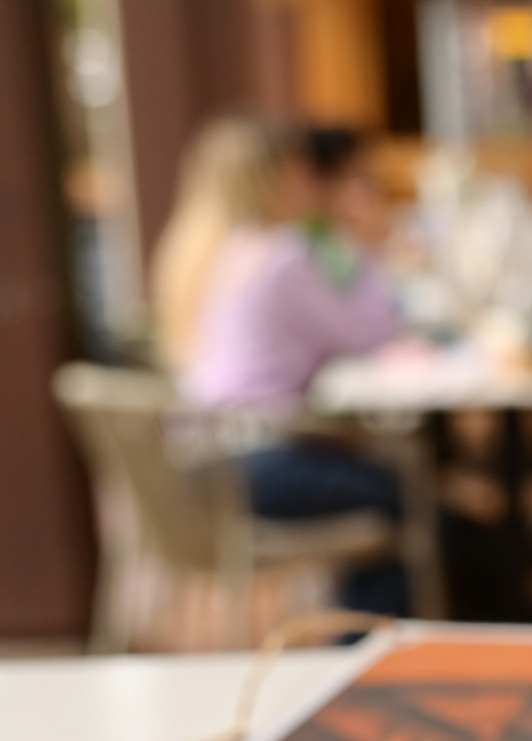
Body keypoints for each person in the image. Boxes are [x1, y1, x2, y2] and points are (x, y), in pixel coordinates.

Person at [182, 125, 410, 616]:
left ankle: (366, 642)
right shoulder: (285, 255)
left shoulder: (237, 247)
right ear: (274, 181)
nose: (314, 183)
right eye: (301, 172)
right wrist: (369, 243)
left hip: (211, 456)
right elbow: (369, 332)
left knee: (388, 481)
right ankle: (366, 651)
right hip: (258, 461)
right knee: (408, 494)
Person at [148, 117, 279, 371]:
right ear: (268, 180)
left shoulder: (187, 243)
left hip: (197, 397)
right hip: (246, 405)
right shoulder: (255, 251)